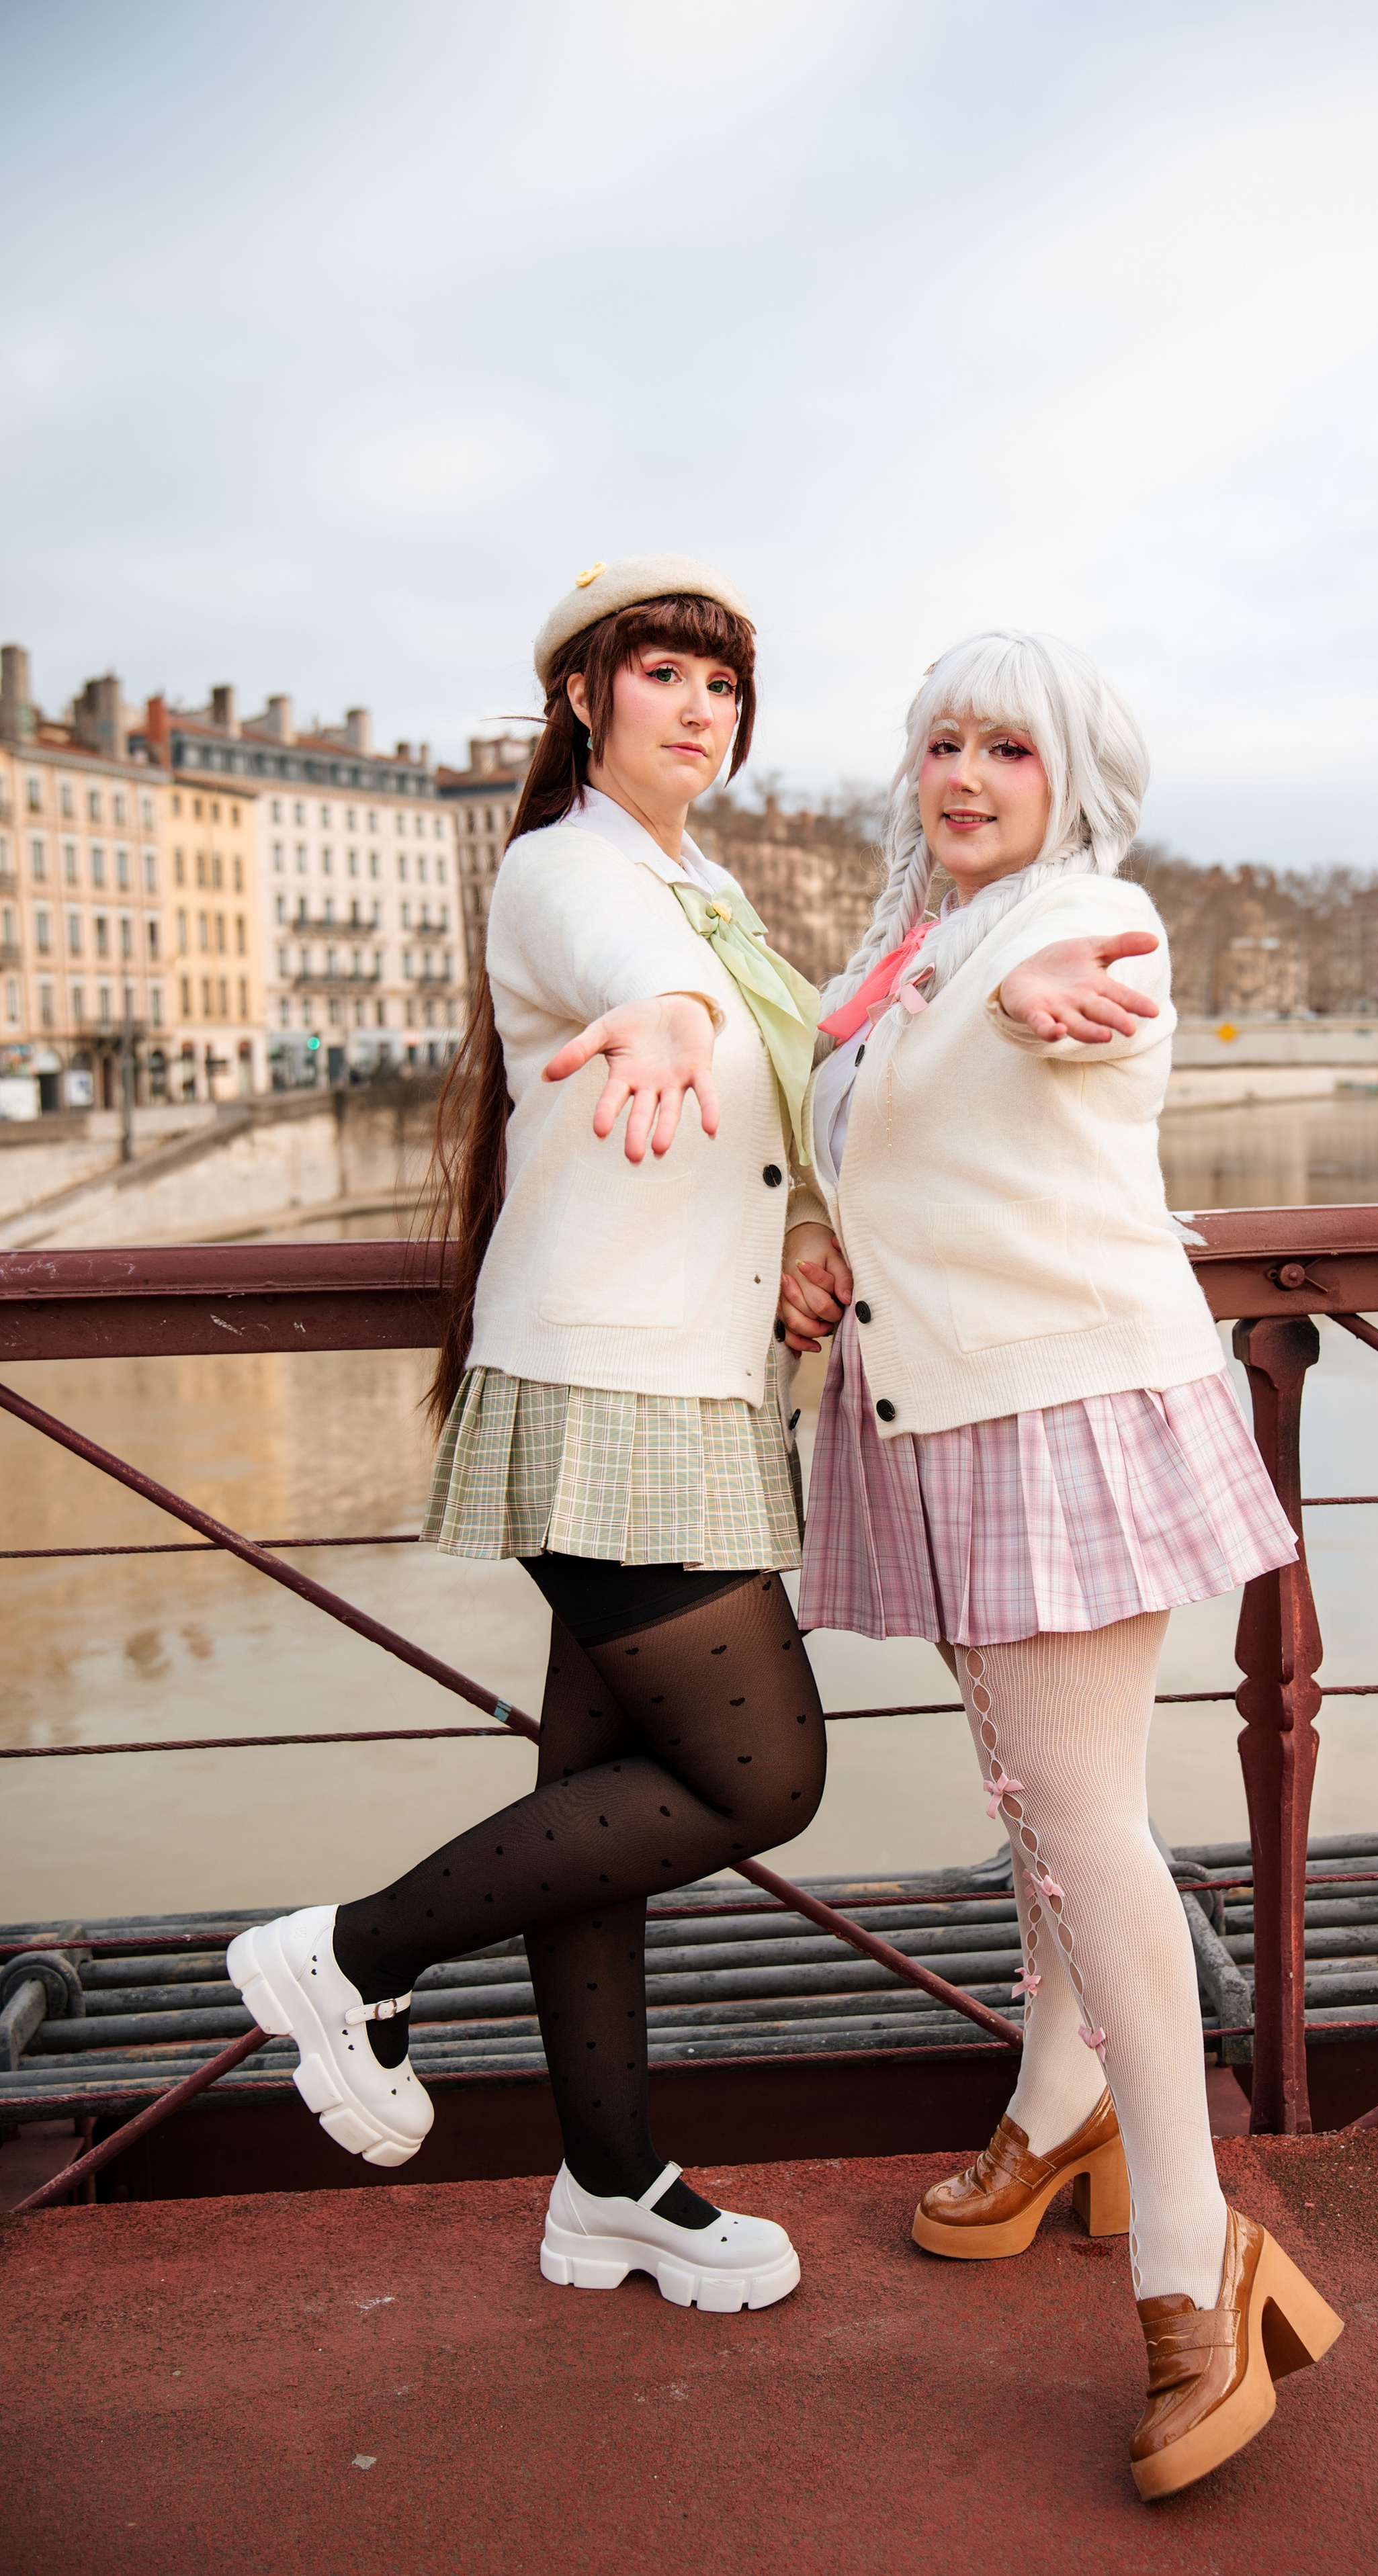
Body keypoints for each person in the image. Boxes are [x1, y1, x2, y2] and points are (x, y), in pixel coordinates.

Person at [230, 557, 830, 2315]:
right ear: (586, 695)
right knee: (760, 1775)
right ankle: (349, 1951)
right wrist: (670, 1016)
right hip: (613, 1385)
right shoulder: (577, 872)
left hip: (690, 1375)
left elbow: (759, 1104)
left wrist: (800, 1231)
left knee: (599, 1799)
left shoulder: (705, 880)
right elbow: (639, 984)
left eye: (725, 678)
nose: (701, 703)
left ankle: (607, 2185)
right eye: (664, 670)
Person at [782, 629, 1344, 2496]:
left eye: (1005, 745)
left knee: (1080, 1815)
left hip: (1062, 1406)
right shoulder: (910, 948)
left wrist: (1043, 992)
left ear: (1069, 775)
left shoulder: (1082, 919)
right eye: (938, 740)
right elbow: (866, 1131)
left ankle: (1197, 2258)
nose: (962, 772)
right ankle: (1059, 2107)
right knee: (1038, 1794)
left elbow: (1077, 981)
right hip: (942, 1409)